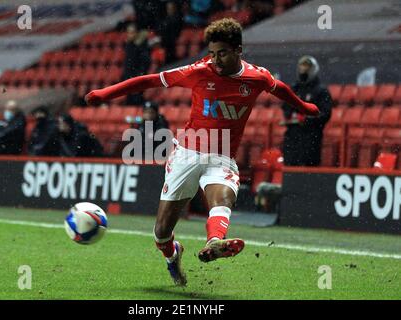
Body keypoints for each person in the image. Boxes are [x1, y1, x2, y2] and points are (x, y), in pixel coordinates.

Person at [85, 18, 319, 286]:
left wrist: (303, 107)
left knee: (224, 199)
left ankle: (215, 242)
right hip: (186, 153)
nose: (216, 60)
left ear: (238, 50)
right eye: (212, 53)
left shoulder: (257, 77)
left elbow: (282, 90)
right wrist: (107, 93)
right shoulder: (199, 71)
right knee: (162, 232)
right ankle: (173, 255)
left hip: (221, 157)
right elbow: (149, 80)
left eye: (223, 53)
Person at [281, 55, 332, 166]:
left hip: (311, 138)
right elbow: (285, 107)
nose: (303, 70)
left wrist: (308, 119)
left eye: (307, 67)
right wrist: (289, 116)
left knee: (307, 170)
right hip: (292, 138)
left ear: (313, 69)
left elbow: (325, 114)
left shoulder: (321, 91)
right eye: (302, 67)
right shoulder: (294, 88)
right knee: (290, 168)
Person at [122, 23, 151, 105]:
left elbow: (145, 62)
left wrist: (139, 75)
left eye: (132, 32)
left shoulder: (141, 46)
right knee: (129, 101)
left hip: (137, 79)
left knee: (136, 101)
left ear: (136, 33)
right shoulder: (129, 45)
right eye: (128, 32)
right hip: (128, 79)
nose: (129, 35)